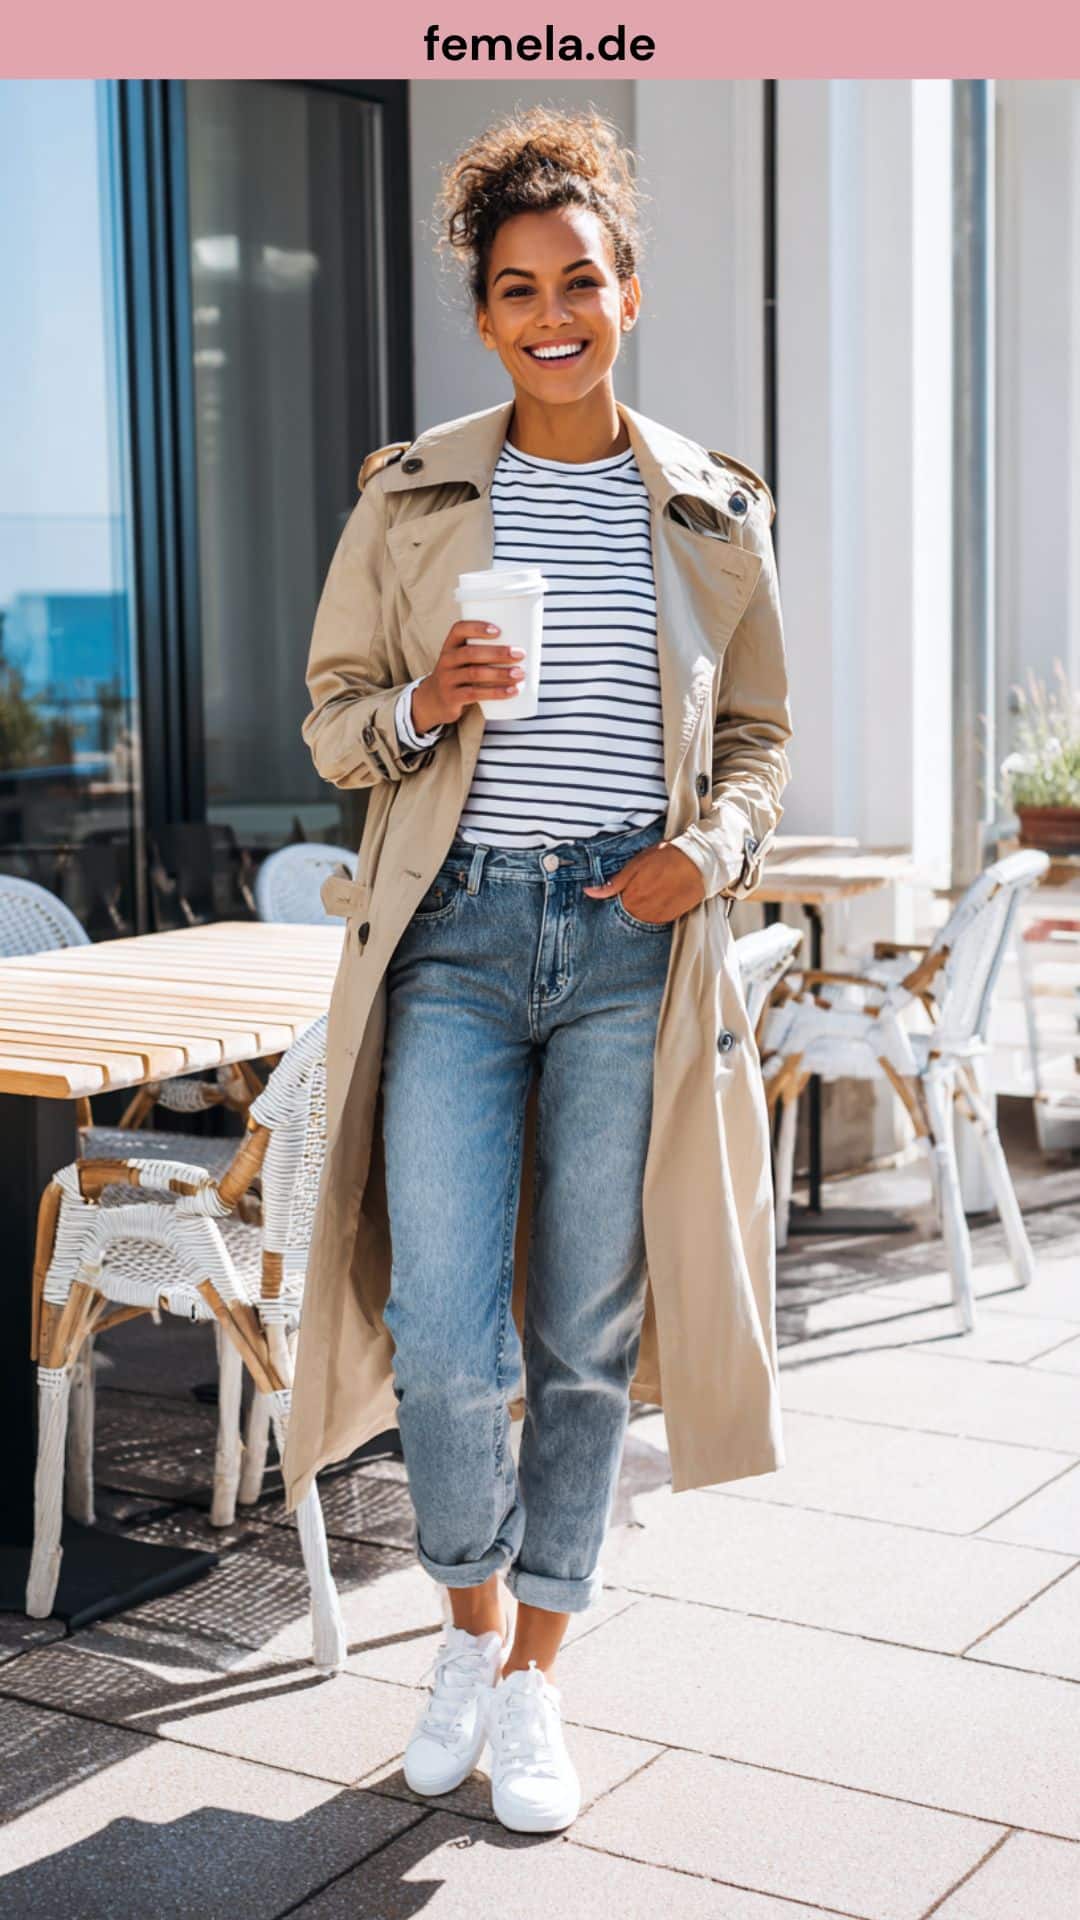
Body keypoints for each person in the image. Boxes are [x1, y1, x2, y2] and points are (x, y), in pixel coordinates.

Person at [284, 103, 792, 1836]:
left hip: (630, 943)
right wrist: (430, 701)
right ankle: (467, 1621)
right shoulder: (416, 490)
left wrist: (705, 854)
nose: (551, 310)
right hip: (457, 938)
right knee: (442, 1325)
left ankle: (536, 1686)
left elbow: (763, 743)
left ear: (628, 292)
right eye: (517, 288)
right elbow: (334, 719)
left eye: (582, 279)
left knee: (582, 1330)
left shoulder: (715, 508)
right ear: (485, 314)